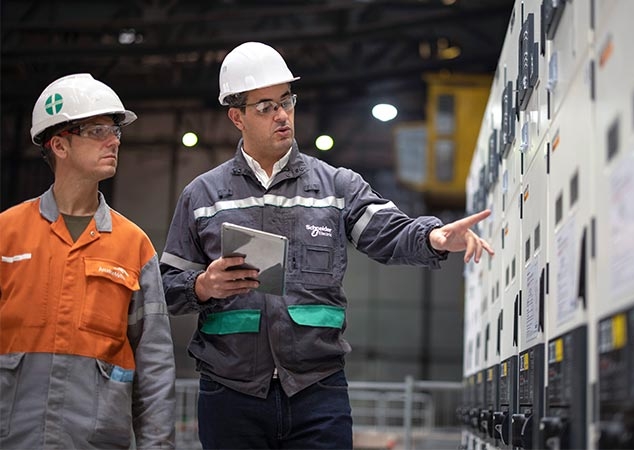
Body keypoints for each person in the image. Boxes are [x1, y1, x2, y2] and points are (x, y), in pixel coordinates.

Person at [160, 41, 494, 449]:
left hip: (317, 392)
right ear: (237, 116)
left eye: (286, 101)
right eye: (265, 106)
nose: (282, 115)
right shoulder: (203, 196)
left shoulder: (336, 187)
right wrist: (202, 286)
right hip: (230, 393)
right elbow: (165, 287)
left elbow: (389, 232)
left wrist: (433, 236)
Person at [0, 74, 177, 449]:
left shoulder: (134, 245)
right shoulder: (7, 234)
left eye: (114, 131)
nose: (114, 140)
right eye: (97, 131)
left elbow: (155, 368)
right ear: (59, 145)